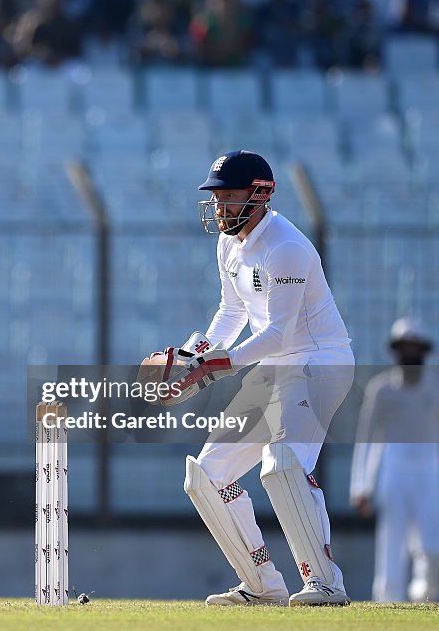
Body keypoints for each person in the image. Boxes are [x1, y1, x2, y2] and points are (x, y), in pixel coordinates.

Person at [149, 150, 355, 606]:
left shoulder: (286, 248)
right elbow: (233, 311)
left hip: (319, 363)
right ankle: (263, 585)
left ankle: (325, 583)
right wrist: (191, 356)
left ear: (260, 194)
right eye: (216, 197)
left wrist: (210, 372)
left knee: (283, 464)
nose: (220, 206)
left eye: (230, 196)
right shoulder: (229, 243)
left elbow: (278, 334)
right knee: (207, 475)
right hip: (276, 365)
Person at [350, 318, 439, 602]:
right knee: (392, 542)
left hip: (430, 472)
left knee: (431, 543)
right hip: (395, 473)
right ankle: (389, 602)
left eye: (415, 349)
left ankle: (426, 597)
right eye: (405, 348)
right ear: (396, 352)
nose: (410, 354)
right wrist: (360, 487)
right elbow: (366, 440)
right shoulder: (381, 389)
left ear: (424, 352)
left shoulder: (436, 387)